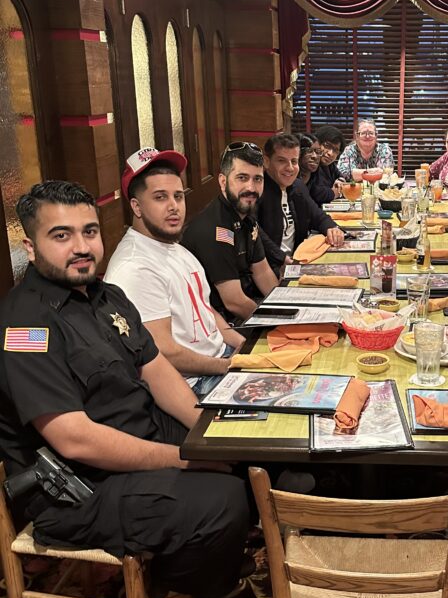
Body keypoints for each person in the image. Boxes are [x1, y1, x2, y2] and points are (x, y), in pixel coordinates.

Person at [0, 181, 251, 598]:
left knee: (244, 442)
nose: (81, 246)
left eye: (89, 231)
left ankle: (203, 560)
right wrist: (184, 458)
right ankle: (167, 590)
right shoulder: (26, 325)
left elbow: (158, 372)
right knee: (223, 498)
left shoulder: (107, 295)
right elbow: (75, 440)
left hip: (135, 432)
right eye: (61, 235)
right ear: (30, 247)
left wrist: (208, 433)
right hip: (74, 485)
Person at [105, 148, 244, 399]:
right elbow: (164, 352)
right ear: (136, 206)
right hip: (194, 383)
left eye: (178, 196)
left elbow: (205, 311)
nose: (174, 206)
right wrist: (229, 366)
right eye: (160, 197)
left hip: (220, 359)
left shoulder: (174, 247)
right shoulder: (134, 267)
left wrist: (243, 346)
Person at [183, 141, 278, 321]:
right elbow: (234, 303)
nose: (251, 188)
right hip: (219, 323)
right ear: (223, 181)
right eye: (242, 178)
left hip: (243, 309)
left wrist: (286, 308)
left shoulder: (246, 216)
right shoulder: (215, 229)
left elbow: (262, 272)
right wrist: (278, 323)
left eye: (257, 179)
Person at [257, 132, 344, 272]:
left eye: (294, 161)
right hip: (270, 269)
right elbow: (256, 236)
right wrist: (282, 259)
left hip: (297, 262)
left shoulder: (298, 187)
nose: (290, 168)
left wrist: (332, 228)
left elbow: (317, 215)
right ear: (266, 161)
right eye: (281, 161)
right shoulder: (257, 191)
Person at [310, 124, 345, 204]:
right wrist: (334, 193)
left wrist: (340, 181)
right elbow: (316, 193)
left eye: (335, 150)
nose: (330, 153)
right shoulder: (311, 163)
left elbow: (340, 176)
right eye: (327, 146)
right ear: (317, 143)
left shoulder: (330, 165)